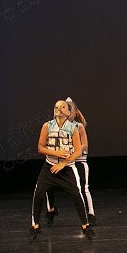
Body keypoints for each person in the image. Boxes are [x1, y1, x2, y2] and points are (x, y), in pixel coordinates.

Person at [28, 99, 95, 241]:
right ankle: (35, 226)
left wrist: (63, 163)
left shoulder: (73, 127)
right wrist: (56, 153)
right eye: (56, 107)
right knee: (39, 193)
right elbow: (40, 147)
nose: (59, 109)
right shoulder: (47, 126)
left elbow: (78, 151)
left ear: (69, 112)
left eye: (62, 107)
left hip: (67, 168)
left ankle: (85, 225)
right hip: (50, 166)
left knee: (77, 195)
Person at [45, 97, 96, 226]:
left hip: (78, 161)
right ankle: (50, 210)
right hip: (63, 161)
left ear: (74, 113)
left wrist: (73, 150)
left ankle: (90, 214)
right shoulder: (57, 126)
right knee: (48, 186)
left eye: (69, 111)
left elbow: (83, 145)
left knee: (83, 188)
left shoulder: (78, 126)